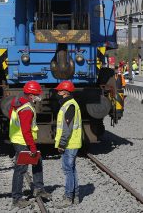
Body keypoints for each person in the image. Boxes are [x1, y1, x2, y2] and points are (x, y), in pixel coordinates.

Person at [9, 81, 51, 208]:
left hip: (19, 139)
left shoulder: (19, 102)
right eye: (37, 94)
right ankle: (16, 198)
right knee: (21, 169)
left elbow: (12, 114)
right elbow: (26, 130)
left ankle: (39, 188)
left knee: (37, 161)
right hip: (23, 141)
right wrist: (32, 147)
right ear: (31, 95)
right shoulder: (26, 109)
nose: (39, 96)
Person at [54, 80, 82, 208]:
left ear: (65, 92)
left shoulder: (69, 105)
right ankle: (75, 196)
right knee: (72, 169)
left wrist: (62, 144)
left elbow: (67, 128)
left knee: (68, 171)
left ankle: (68, 197)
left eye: (59, 90)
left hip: (70, 143)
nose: (58, 92)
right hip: (73, 142)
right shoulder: (70, 104)